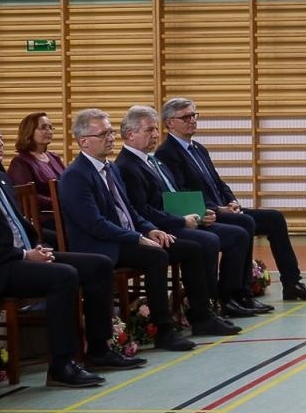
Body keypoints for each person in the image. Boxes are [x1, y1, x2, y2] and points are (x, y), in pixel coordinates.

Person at [0, 110, 144, 388]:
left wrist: (38, 247)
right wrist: (25, 255)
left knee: (98, 265)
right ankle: (61, 365)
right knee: (63, 276)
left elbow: (18, 227)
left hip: (19, 257)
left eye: (0, 136)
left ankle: (99, 349)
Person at [57, 109, 205, 352]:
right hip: (101, 246)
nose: (111, 138)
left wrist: (149, 230)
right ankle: (163, 330)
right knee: (156, 255)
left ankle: (200, 314)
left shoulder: (110, 168)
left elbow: (130, 211)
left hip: (123, 237)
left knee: (186, 247)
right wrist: (136, 237)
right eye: (103, 134)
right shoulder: (76, 175)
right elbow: (95, 224)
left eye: (111, 132)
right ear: (83, 141)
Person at [155, 97, 306, 302]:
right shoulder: (166, 153)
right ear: (169, 123)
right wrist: (218, 209)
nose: (192, 120)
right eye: (186, 117)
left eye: (194, 115)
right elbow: (182, 192)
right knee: (244, 223)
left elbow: (218, 182)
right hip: (205, 214)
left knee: (274, 218)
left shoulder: (198, 148)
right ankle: (238, 293)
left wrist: (232, 201)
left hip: (223, 208)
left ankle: (292, 283)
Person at [115, 105, 269, 320]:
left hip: (178, 219)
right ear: (130, 135)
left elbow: (175, 194)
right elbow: (143, 210)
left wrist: (200, 212)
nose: (156, 135)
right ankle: (206, 307)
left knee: (239, 232)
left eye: (155, 130)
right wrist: (181, 220)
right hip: (163, 227)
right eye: (149, 130)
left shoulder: (152, 160)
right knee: (207, 241)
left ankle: (229, 297)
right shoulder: (126, 166)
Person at [7, 111, 65, 226]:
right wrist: (60, 202)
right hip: (43, 219)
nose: (48, 131)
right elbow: (27, 198)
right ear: (29, 131)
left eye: (50, 127)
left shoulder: (54, 157)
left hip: (63, 212)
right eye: (43, 127)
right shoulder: (20, 162)